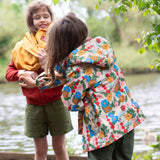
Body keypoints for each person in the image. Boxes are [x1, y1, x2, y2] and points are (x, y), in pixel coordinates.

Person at [19, 12, 146, 160]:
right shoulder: (100, 47)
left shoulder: (75, 69)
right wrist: (37, 82)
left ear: (62, 44)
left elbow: (70, 103)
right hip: (126, 119)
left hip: (102, 128)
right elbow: (64, 73)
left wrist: (47, 70)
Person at [5, 1, 73, 160]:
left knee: (60, 147)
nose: (42, 20)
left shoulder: (59, 43)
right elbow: (9, 74)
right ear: (31, 22)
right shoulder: (22, 47)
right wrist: (23, 72)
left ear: (51, 18)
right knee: (40, 150)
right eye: (37, 17)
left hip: (57, 101)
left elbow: (65, 72)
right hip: (33, 104)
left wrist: (47, 62)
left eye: (46, 16)